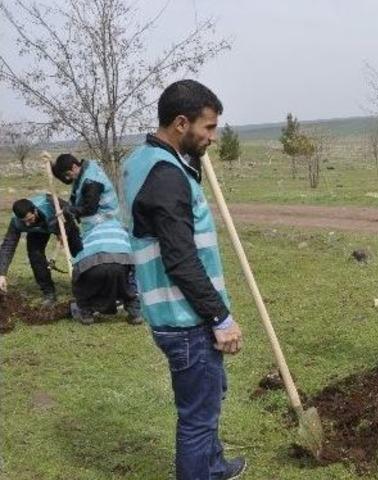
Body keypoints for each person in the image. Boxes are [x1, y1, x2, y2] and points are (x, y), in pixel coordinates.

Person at [121, 79, 245, 480]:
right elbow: (180, 259)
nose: (213, 137)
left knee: (211, 394)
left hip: (174, 314)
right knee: (197, 418)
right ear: (180, 123)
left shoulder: (145, 161)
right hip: (185, 317)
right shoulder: (166, 175)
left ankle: (213, 466)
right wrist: (219, 318)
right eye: (207, 128)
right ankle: (201, 468)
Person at [52, 153, 141, 325]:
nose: (68, 179)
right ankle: (135, 310)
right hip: (121, 253)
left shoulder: (91, 181)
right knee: (126, 279)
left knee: (84, 278)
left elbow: (90, 208)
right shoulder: (86, 174)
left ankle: (86, 312)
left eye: (68, 175)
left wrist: (71, 211)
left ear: (74, 167)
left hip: (98, 229)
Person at [0, 194, 82, 304]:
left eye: (29, 219)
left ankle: (86, 286)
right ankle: (49, 293)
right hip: (37, 231)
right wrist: (2, 274)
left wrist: (64, 231)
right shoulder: (16, 222)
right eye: (24, 221)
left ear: (35, 211)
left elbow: (70, 213)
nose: (27, 223)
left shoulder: (49, 203)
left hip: (60, 223)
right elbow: (7, 246)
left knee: (79, 252)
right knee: (35, 255)